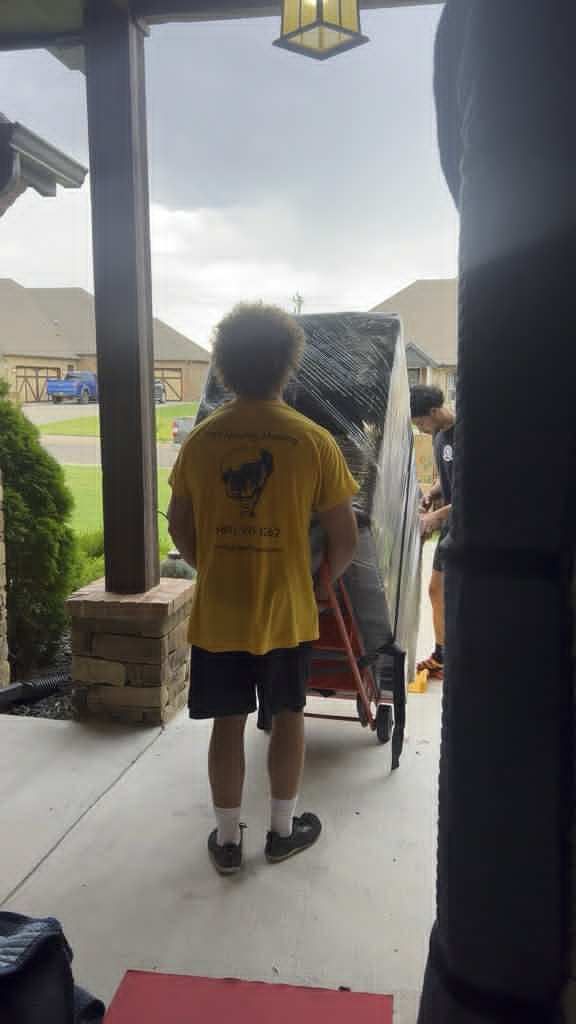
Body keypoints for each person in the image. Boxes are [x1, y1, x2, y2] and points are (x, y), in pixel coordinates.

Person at [168, 303, 359, 876]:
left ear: (224, 365)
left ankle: (228, 843)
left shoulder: (202, 439)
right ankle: (282, 831)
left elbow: (179, 525)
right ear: (287, 366)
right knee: (289, 713)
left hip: (221, 612)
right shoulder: (313, 440)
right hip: (287, 610)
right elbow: (345, 535)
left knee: (227, 721)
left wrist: (215, 566)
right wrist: (321, 584)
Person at [410, 385, 455, 680]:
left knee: (454, 594)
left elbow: (475, 494)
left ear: (434, 412)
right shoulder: (439, 436)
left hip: (470, 528)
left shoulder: (468, 435)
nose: (421, 429)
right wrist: (431, 493)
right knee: (436, 590)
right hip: (452, 523)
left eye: (420, 423)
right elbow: (447, 477)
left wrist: (434, 518)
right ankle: (442, 656)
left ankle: (453, 656)